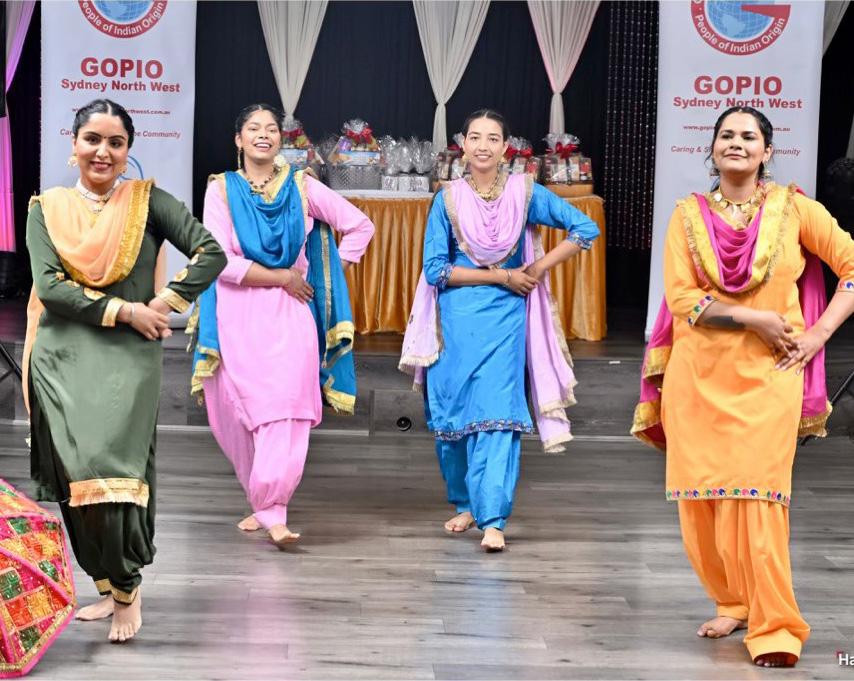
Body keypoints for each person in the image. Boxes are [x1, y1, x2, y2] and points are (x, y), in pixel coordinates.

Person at [632, 106, 854, 667]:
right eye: (726, 135)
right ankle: (733, 601)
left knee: (759, 499)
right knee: (703, 503)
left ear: (766, 151)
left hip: (770, 376)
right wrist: (753, 318)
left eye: (748, 136)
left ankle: (777, 626)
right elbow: (682, 299)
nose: (736, 142)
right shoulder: (687, 216)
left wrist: (818, 334)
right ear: (712, 148)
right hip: (698, 377)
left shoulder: (796, 209)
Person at [25, 98, 226, 642]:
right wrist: (126, 310)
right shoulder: (47, 208)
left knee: (113, 473)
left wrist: (163, 303)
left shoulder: (148, 202)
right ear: (73, 145)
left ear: (128, 150)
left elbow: (210, 252)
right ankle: (104, 582)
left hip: (127, 358)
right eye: (92, 139)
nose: (103, 151)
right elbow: (50, 289)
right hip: (61, 356)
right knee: (75, 477)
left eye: (115, 142)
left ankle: (127, 587)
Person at [400, 109, 600, 552]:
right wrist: (502, 276)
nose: (484, 146)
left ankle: (493, 519)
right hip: (455, 323)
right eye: (475, 137)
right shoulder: (447, 199)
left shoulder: (523, 192)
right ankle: (466, 504)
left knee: (497, 419)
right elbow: (435, 271)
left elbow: (585, 228)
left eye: (493, 138)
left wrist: (537, 268)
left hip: (506, 322)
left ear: (506, 148)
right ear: (463, 145)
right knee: (452, 421)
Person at [191, 103, 374, 547]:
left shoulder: (302, 185)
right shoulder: (220, 190)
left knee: (287, 413)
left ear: (281, 139)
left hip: (292, 315)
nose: (263, 134)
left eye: (271, 129)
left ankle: (274, 509)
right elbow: (220, 260)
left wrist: (325, 278)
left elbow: (360, 226)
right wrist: (281, 277)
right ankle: (261, 500)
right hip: (236, 316)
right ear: (238, 140)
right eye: (253, 128)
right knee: (236, 415)